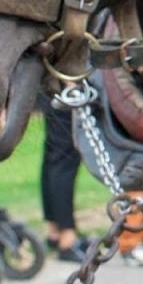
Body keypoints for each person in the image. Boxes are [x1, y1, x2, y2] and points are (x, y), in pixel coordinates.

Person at [39, 94, 92, 262]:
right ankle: (67, 239)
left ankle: (55, 231)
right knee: (64, 159)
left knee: (54, 157)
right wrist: (71, 85)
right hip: (64, 89)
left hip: (51, 88)